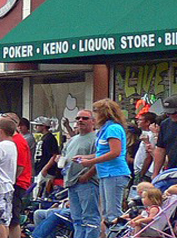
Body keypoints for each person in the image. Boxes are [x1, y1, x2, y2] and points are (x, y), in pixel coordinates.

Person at [74, 99, 132, 229]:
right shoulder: (104, 130)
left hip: (115, 173)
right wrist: (85, 157)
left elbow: (115, 152)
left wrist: (90, 162)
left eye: (95, 112)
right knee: (106, 213)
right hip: (105, 173)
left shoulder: (113, 129)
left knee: (114, 213)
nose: (94, 116)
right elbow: (102, 152)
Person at [62, 109, 99, 238]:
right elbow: (64, 157)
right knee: (77, 219)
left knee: (90, 218)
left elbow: (100, 160)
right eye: (78, 118)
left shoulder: (97, 138)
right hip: (71, 182)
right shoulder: (73, 140)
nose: (80, 121)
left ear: (93, 122)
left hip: (87, 182)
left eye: (84, 118)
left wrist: (87, 175)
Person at [0, 112, 32, 238]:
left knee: (12, 219)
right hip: (12, 183)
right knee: (8, 218)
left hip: (16, 183)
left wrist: (10, 182)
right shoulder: (11, 141)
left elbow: (20, 166)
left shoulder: (18, 141)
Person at [32, 117, 61, 197]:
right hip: (39, 170)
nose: (35, 127)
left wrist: (45, 169)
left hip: (46, 172)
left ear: (44, 126)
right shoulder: (43, 137)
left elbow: (54, 155)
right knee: (36, 192)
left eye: (37, 125)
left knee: (41, 193)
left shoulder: (50, 138)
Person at [152, 96, 177, 178]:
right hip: (172, 171)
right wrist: (155, 174)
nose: (171, 115)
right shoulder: (165, 124)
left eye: (174, 113)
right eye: (168, 113)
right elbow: (160, 150)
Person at [135, 111, 158, 181]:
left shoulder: (151, 136)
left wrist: (142, 173)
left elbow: (149, 156)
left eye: (140, 120)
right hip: (139, 169)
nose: (138, 122)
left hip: (146, 172)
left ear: (147, 122)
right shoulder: (144, 133)